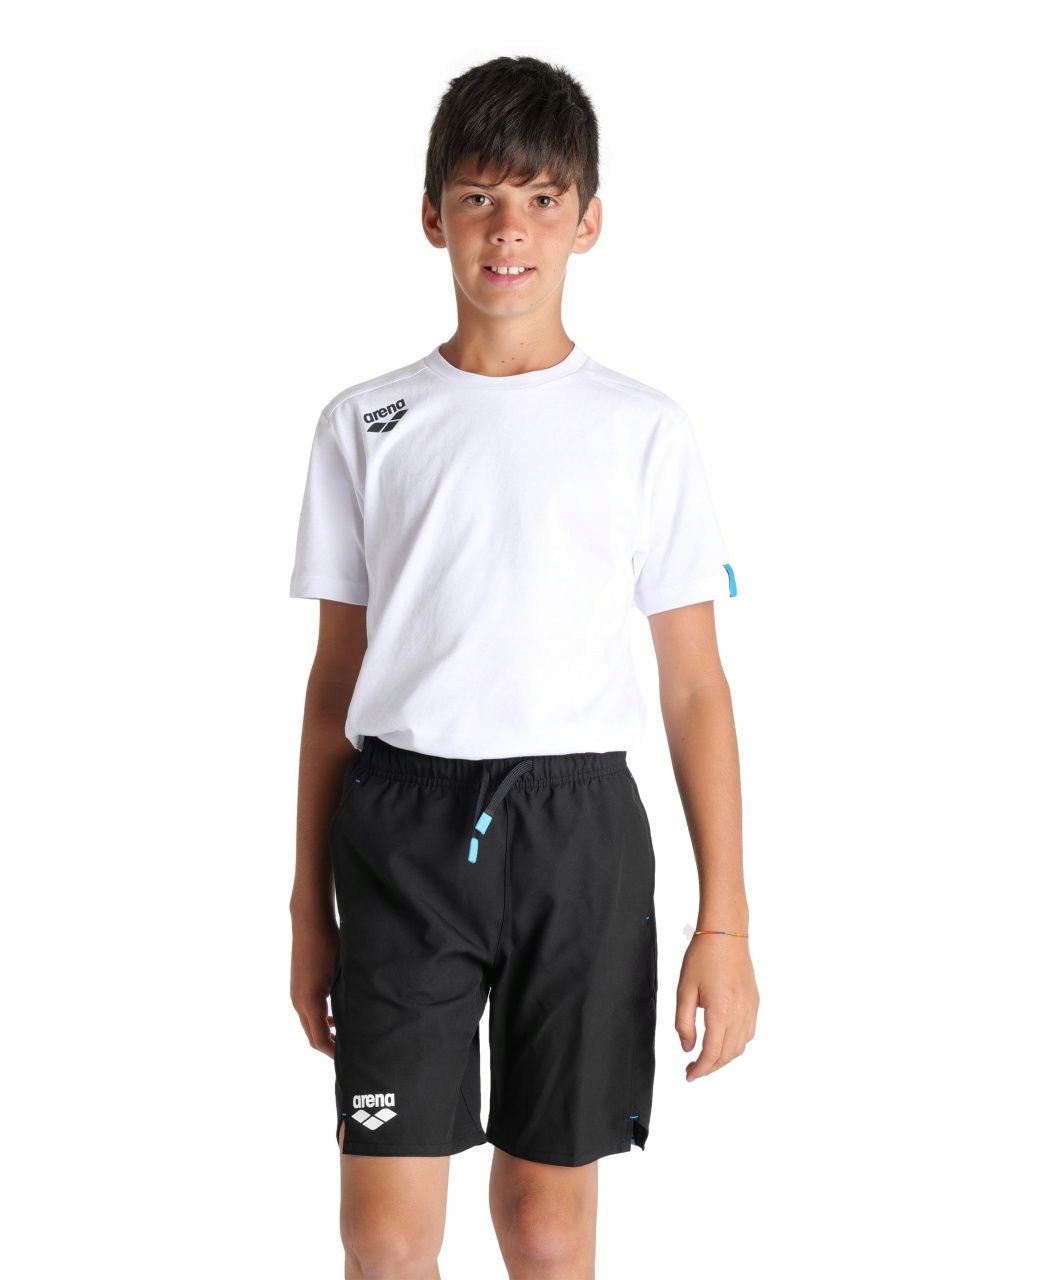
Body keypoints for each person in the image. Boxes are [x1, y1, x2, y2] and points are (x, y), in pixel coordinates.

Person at [288, 54, 758, 1280]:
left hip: (578, 830)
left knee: (549, 1226)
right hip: (401, 831)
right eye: (480, 197)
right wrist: (305, 910)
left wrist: (724, 919)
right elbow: (334, 690)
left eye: (544, 198)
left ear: (589, 221)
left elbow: (695, 687)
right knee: (384, 1235)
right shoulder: (365, 423)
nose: (510, 230)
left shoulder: (645, 430)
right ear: (431, 215)